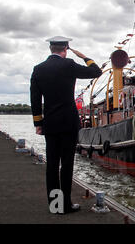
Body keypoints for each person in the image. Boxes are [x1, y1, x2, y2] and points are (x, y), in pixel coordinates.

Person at [30, 36, 102, 214]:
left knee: (52, 165)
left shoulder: (38, 69)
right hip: (68, 123)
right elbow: (96, 71)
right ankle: (67, 204)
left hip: (50, 123)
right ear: (65, 49)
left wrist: (38, 123)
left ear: (50, 49)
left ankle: (56, 206)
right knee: (67, 164)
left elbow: (35, 99)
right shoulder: (69, 65)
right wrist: (83, 56)